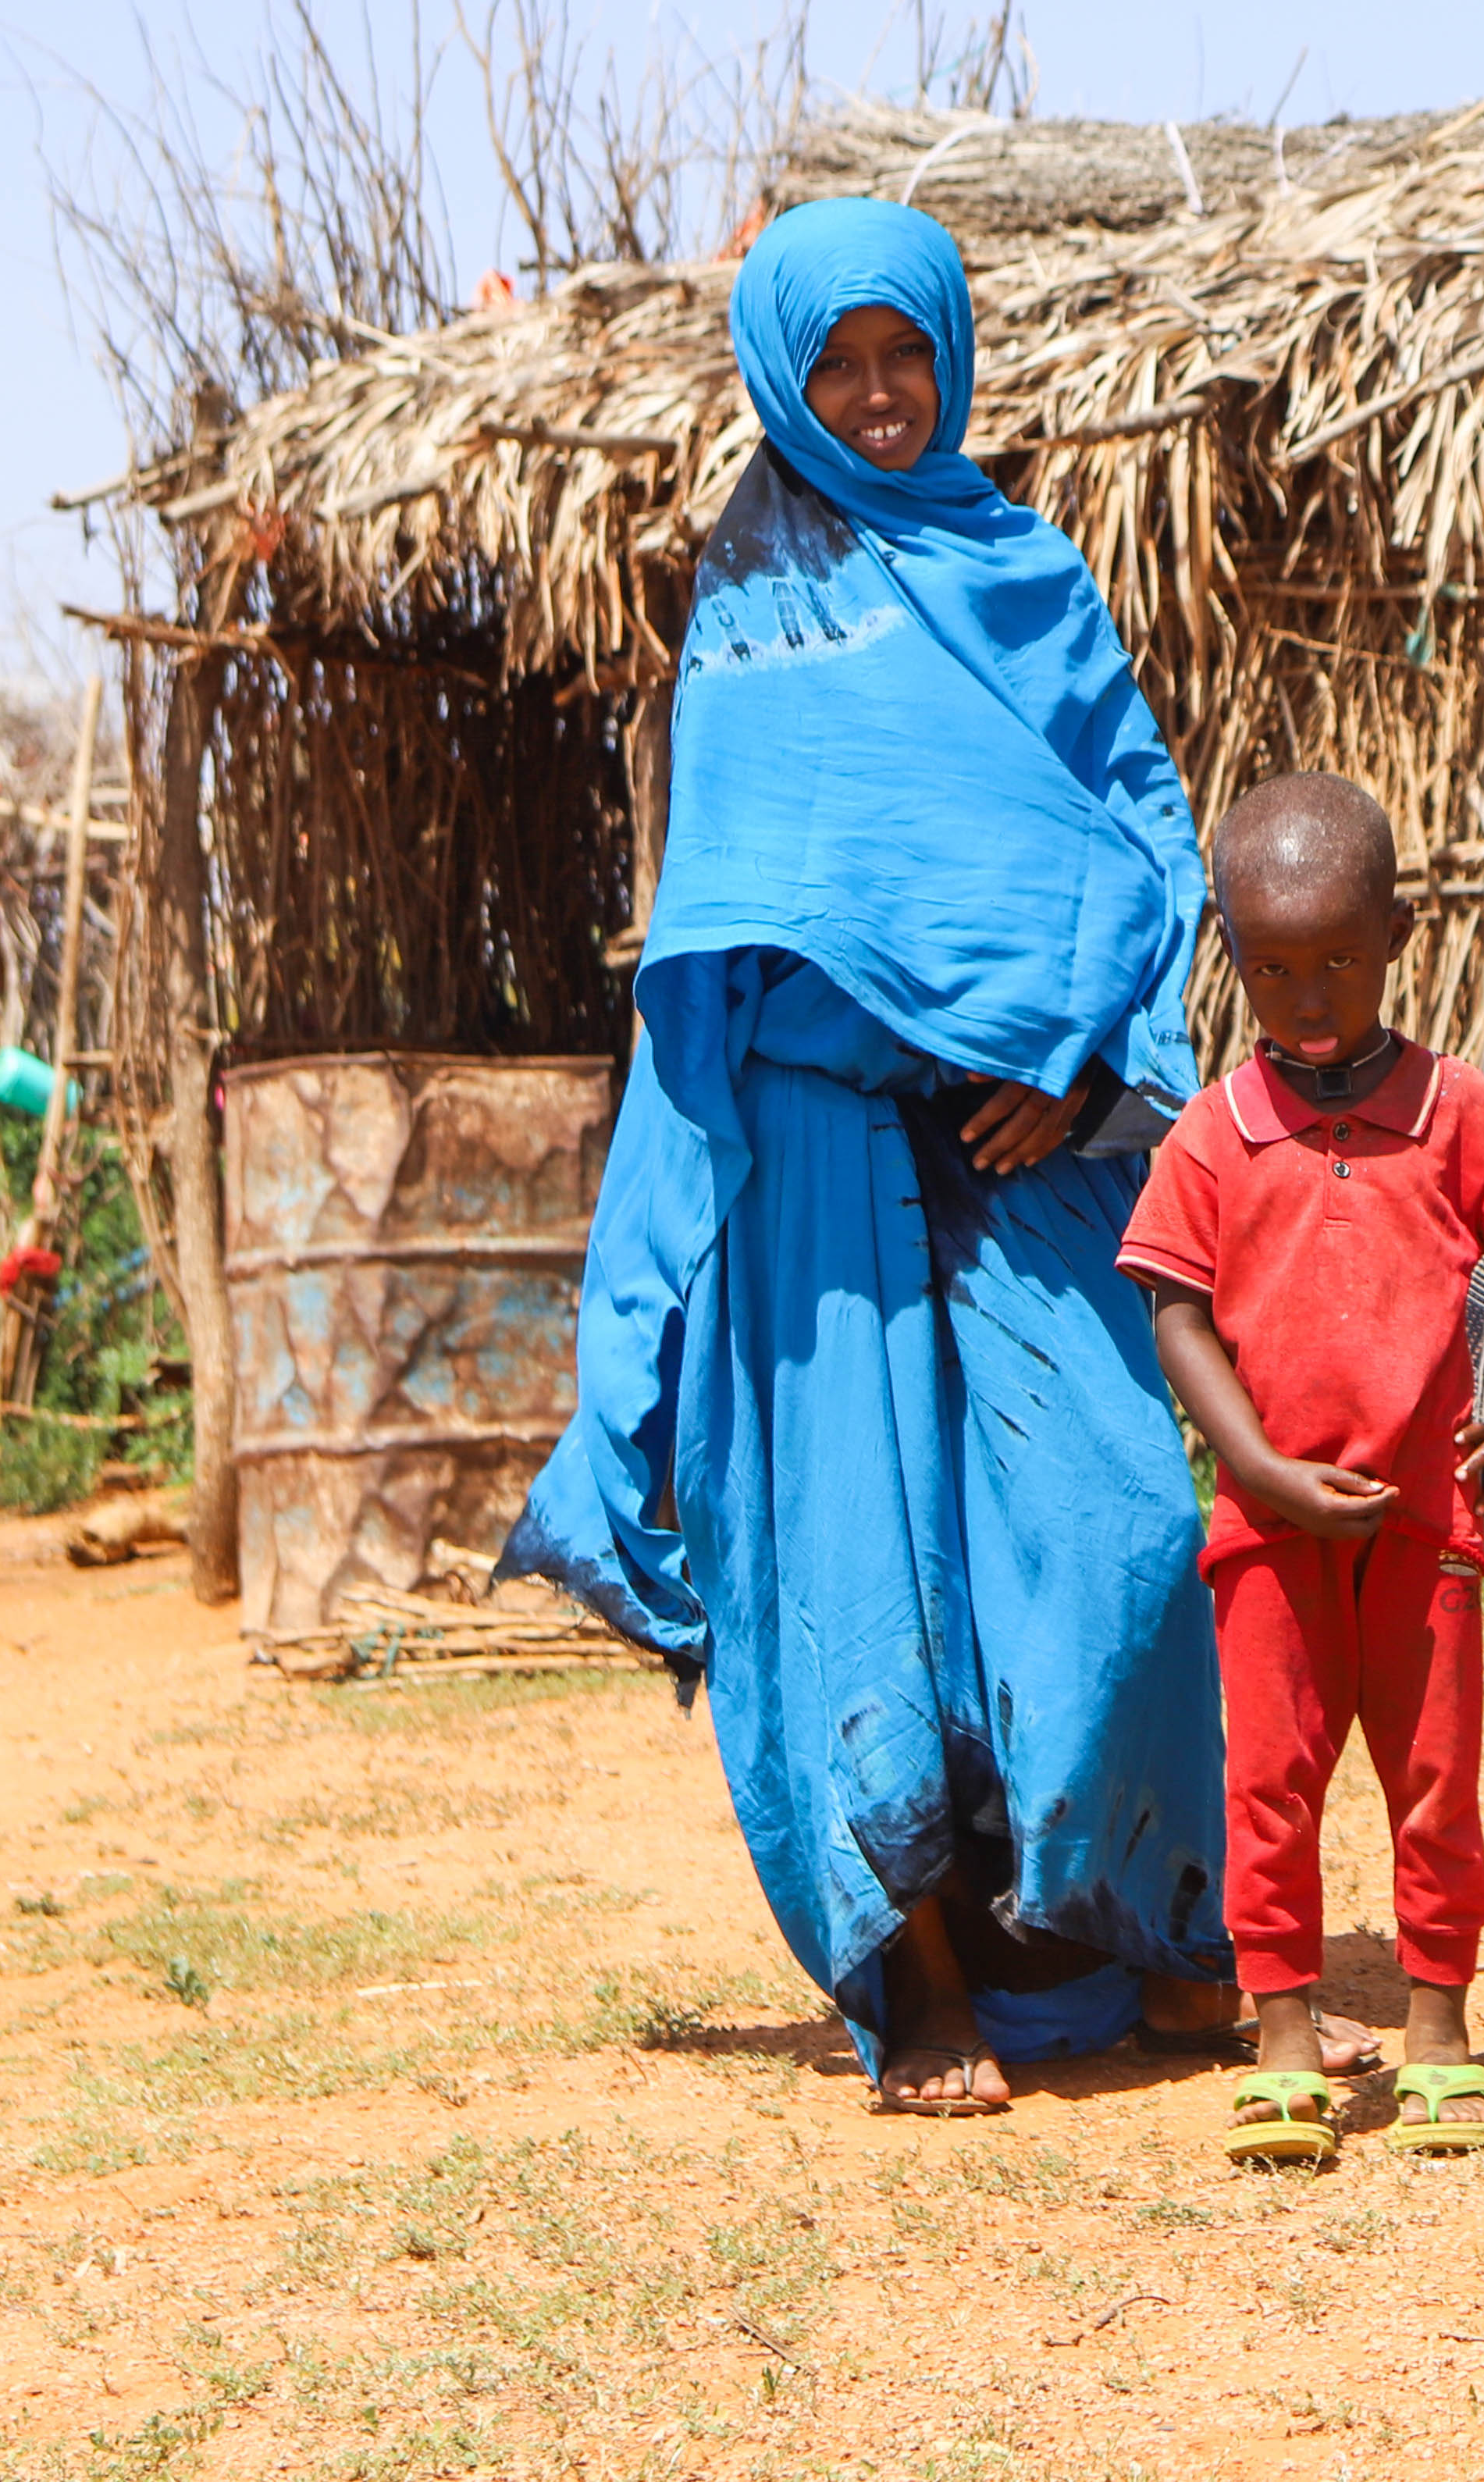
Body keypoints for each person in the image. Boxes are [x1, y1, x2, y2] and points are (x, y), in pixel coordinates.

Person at [506, 194, 1247, 2115]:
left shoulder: (1030, 573)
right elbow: (731, 903)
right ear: (779, 378)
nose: (876, 392)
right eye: (832, 363)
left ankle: (1153, 1913)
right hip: (819, 1157)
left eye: (903, 351)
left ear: (952, 352)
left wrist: (1086, 1065)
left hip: (1034, 1145)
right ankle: (916, 1979)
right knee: (861, 1569)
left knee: (1123, 1539)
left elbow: (1143, 834)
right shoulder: (752, 616)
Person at [1117, 775, 1484, 2170]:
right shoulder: (1211, 1135)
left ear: (1394, 939)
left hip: (1424, 1519)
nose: (1308, 998)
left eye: (1338, 963)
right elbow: (1173, 1307)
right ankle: (1284, 2037)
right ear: (1233, 958)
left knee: (1434, 1775)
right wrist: (1252, 1462)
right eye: (1272, 969)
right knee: (1270, 1782)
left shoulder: (1454, 1113)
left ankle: (1439, 2026)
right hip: (1269, 1528)